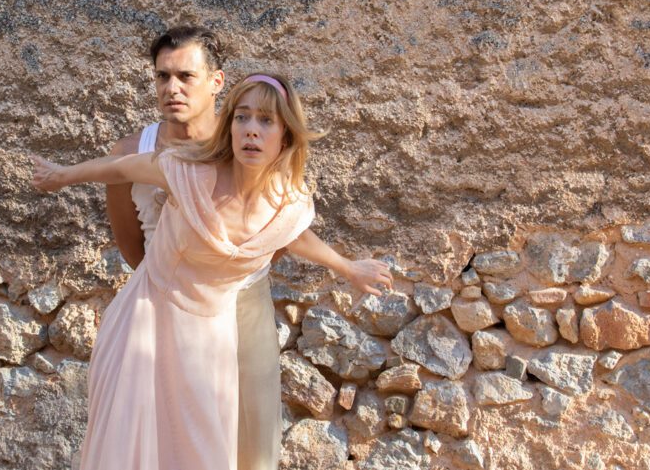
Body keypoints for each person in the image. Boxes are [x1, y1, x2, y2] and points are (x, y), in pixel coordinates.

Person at [32, 73, 392, 470]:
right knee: (132, 447)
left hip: (211, 342)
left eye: (266, 120)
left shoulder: (287, 204)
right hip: (147, 321)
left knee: (200, 453)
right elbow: (120, 169)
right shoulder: (188, 170)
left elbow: (295, 235)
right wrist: (61, 175)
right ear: (230, 126)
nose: (251, 130)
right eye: (242, 117)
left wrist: (348, 267)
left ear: (285, 136)